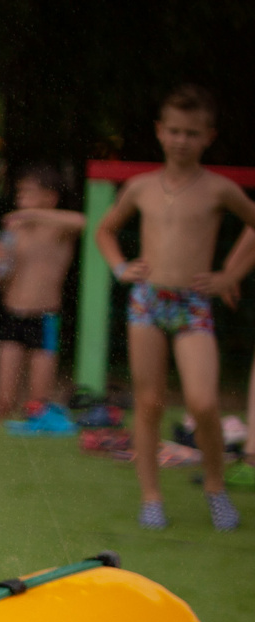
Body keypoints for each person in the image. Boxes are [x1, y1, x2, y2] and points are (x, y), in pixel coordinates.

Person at [91, 85, 255, 530]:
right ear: (160, 132)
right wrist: (121, 267)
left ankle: (217, 489)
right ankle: (151, 499)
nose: (182, 140)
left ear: (208, 137)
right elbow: (104, 231)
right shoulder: (141, 187)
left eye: (192, 133)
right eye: (175, 131)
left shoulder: (219, 189)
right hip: (147, 303)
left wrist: (228, 276)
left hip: (193, 305)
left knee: (203, 403)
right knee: (148, 403)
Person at [0, 166, 86, 424]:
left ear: (50, 197)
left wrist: (33, 214)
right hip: (12, 316)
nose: (21, 197)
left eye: (29, 192)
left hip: (44, 319)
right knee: (3, 401)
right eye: (20, 192)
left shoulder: (58, 231)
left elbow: (84, 222)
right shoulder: (13, 232)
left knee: (37, 404)